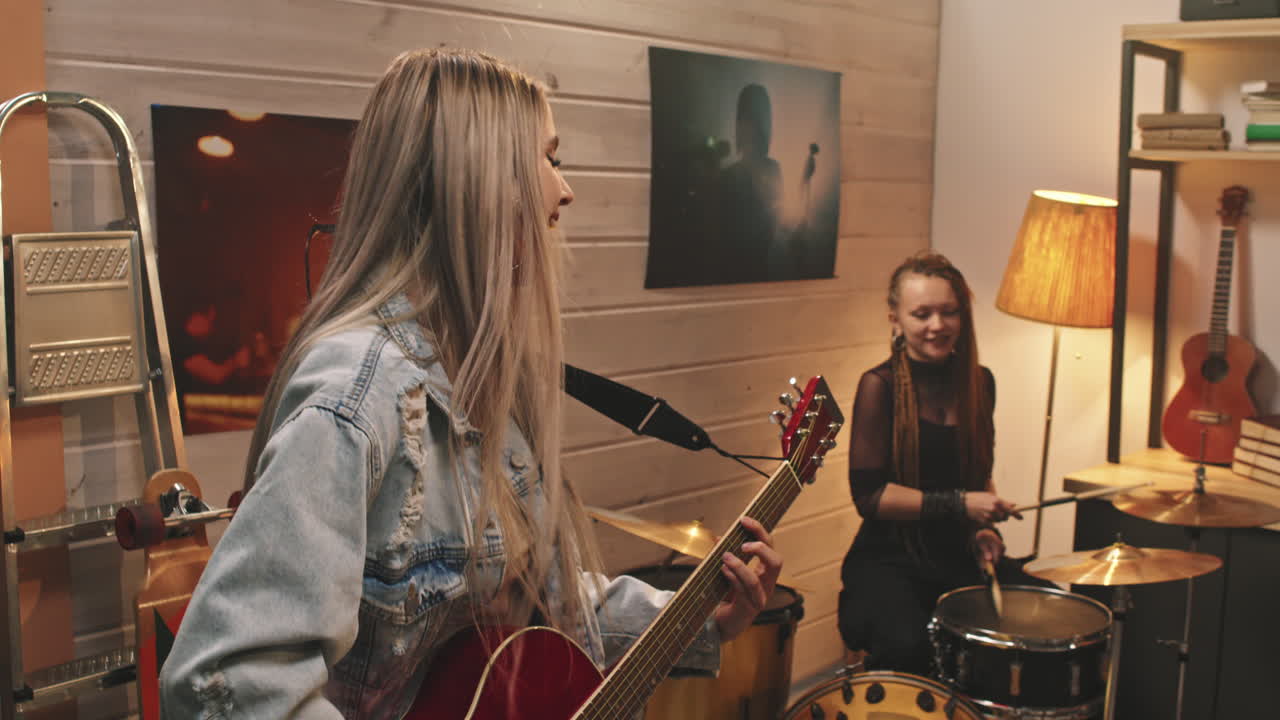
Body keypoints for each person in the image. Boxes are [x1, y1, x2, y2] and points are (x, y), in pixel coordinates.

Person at [159, 48, 782, 719]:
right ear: (484, 183)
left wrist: (698, 618)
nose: (564, 190)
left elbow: (546, 604)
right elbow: (224, 683)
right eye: (551, 157)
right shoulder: (358, 397)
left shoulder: (480, 377)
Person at [836, 250, 1034, 676]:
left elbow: (978, 475)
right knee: (909, 647)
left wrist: (982, 528)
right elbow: (870, 497)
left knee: (1045, 616)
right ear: (895, 318)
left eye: (949, 312)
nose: (937, 326)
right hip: (890, 560)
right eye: (921, 314)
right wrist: (963, 505)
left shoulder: (981, 382)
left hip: (957, 553)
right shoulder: (878, 386)